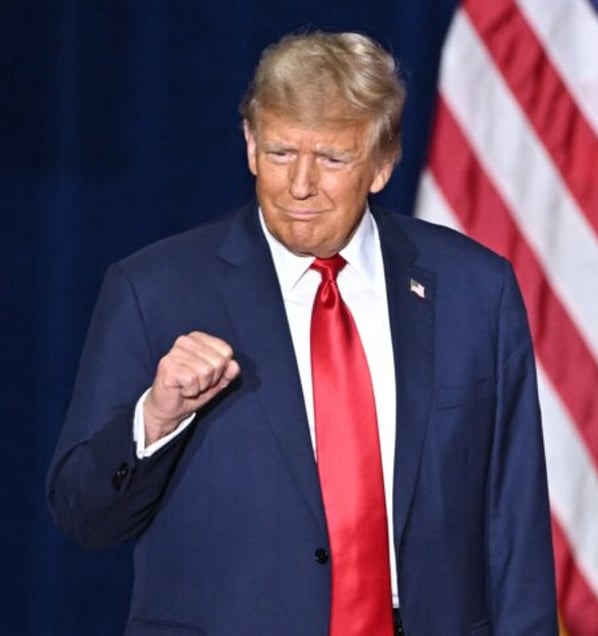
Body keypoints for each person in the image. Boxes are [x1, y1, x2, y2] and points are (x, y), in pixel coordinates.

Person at [47, 31, 557, 635]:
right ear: (249, 145)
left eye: (333, 159)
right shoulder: (153, 290)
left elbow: (514, 526)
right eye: (282, 152)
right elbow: (83, 516)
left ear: (383, 164)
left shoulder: (476, 291)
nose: (300, 186)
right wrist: (153, 420)